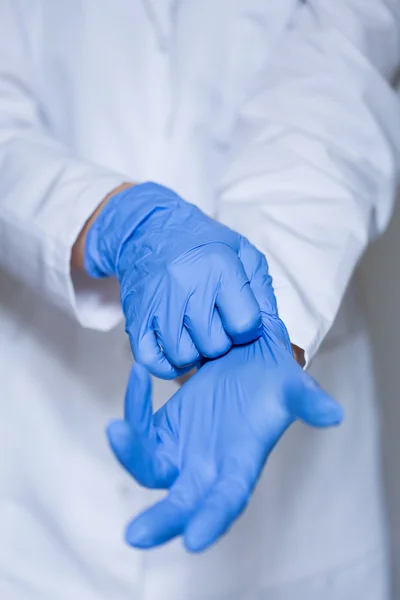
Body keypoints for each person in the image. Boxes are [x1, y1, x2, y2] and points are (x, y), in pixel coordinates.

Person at [0, 1, 399, 599]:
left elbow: (341, 63)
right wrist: (110, 219)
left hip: (293, 516)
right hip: (43, 479)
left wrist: (265, 306)